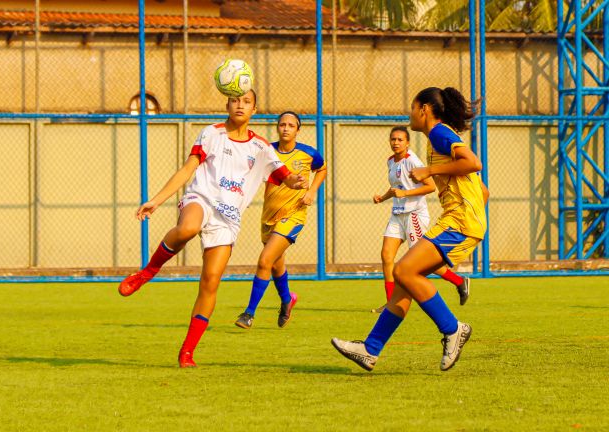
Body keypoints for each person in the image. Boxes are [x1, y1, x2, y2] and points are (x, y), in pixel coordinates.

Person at [117, 90, 307, 368]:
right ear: (227, 104)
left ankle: (187, 352)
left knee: (210, 282)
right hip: (201, 199)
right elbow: (187, 170)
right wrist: (156, 201)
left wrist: (296, 180)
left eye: (246, 102)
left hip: (228, 219)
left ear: (255, 109)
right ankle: (148, 271)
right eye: (235, 100)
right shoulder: (211, 134)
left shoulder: (261, 147)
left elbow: (283, 176)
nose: (240, 105)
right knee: (188, 228)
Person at [331, 87, 489, 372]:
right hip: (461, 220)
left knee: (403, 271)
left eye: (412, 106)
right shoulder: (437, 139)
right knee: (404, 285)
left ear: (424, 109)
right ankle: (370, 349)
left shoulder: (440, 133)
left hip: (459, 222)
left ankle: (453, 329)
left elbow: (473, 163)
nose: (409, 112)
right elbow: (483, 189)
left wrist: (429, 173)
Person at [234, 111, 327, 329]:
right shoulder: (267, 152)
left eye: (290, 125)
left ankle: (249, 313)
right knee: (276, 265)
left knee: (265, 260)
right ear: (277, 127)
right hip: (268, 216)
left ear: (298, 129)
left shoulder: (309, 153)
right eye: (282, 124)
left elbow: (322, 169)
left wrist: (312, 191)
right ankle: (287, 300)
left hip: (294, 215)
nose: (286, 128)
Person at [370, 126, 470, 314]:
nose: (396, 143)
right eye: (393, 139)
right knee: (386, 255)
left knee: (420, 263)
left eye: (400, 139)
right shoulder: (391, 161)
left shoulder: (412, 161)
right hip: (398, 213)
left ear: (407, 143)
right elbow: (396, 188)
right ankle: (390, 303)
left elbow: (430, 186)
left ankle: (459, 281)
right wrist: (382, 198)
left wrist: (405, 193)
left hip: (414, 214)